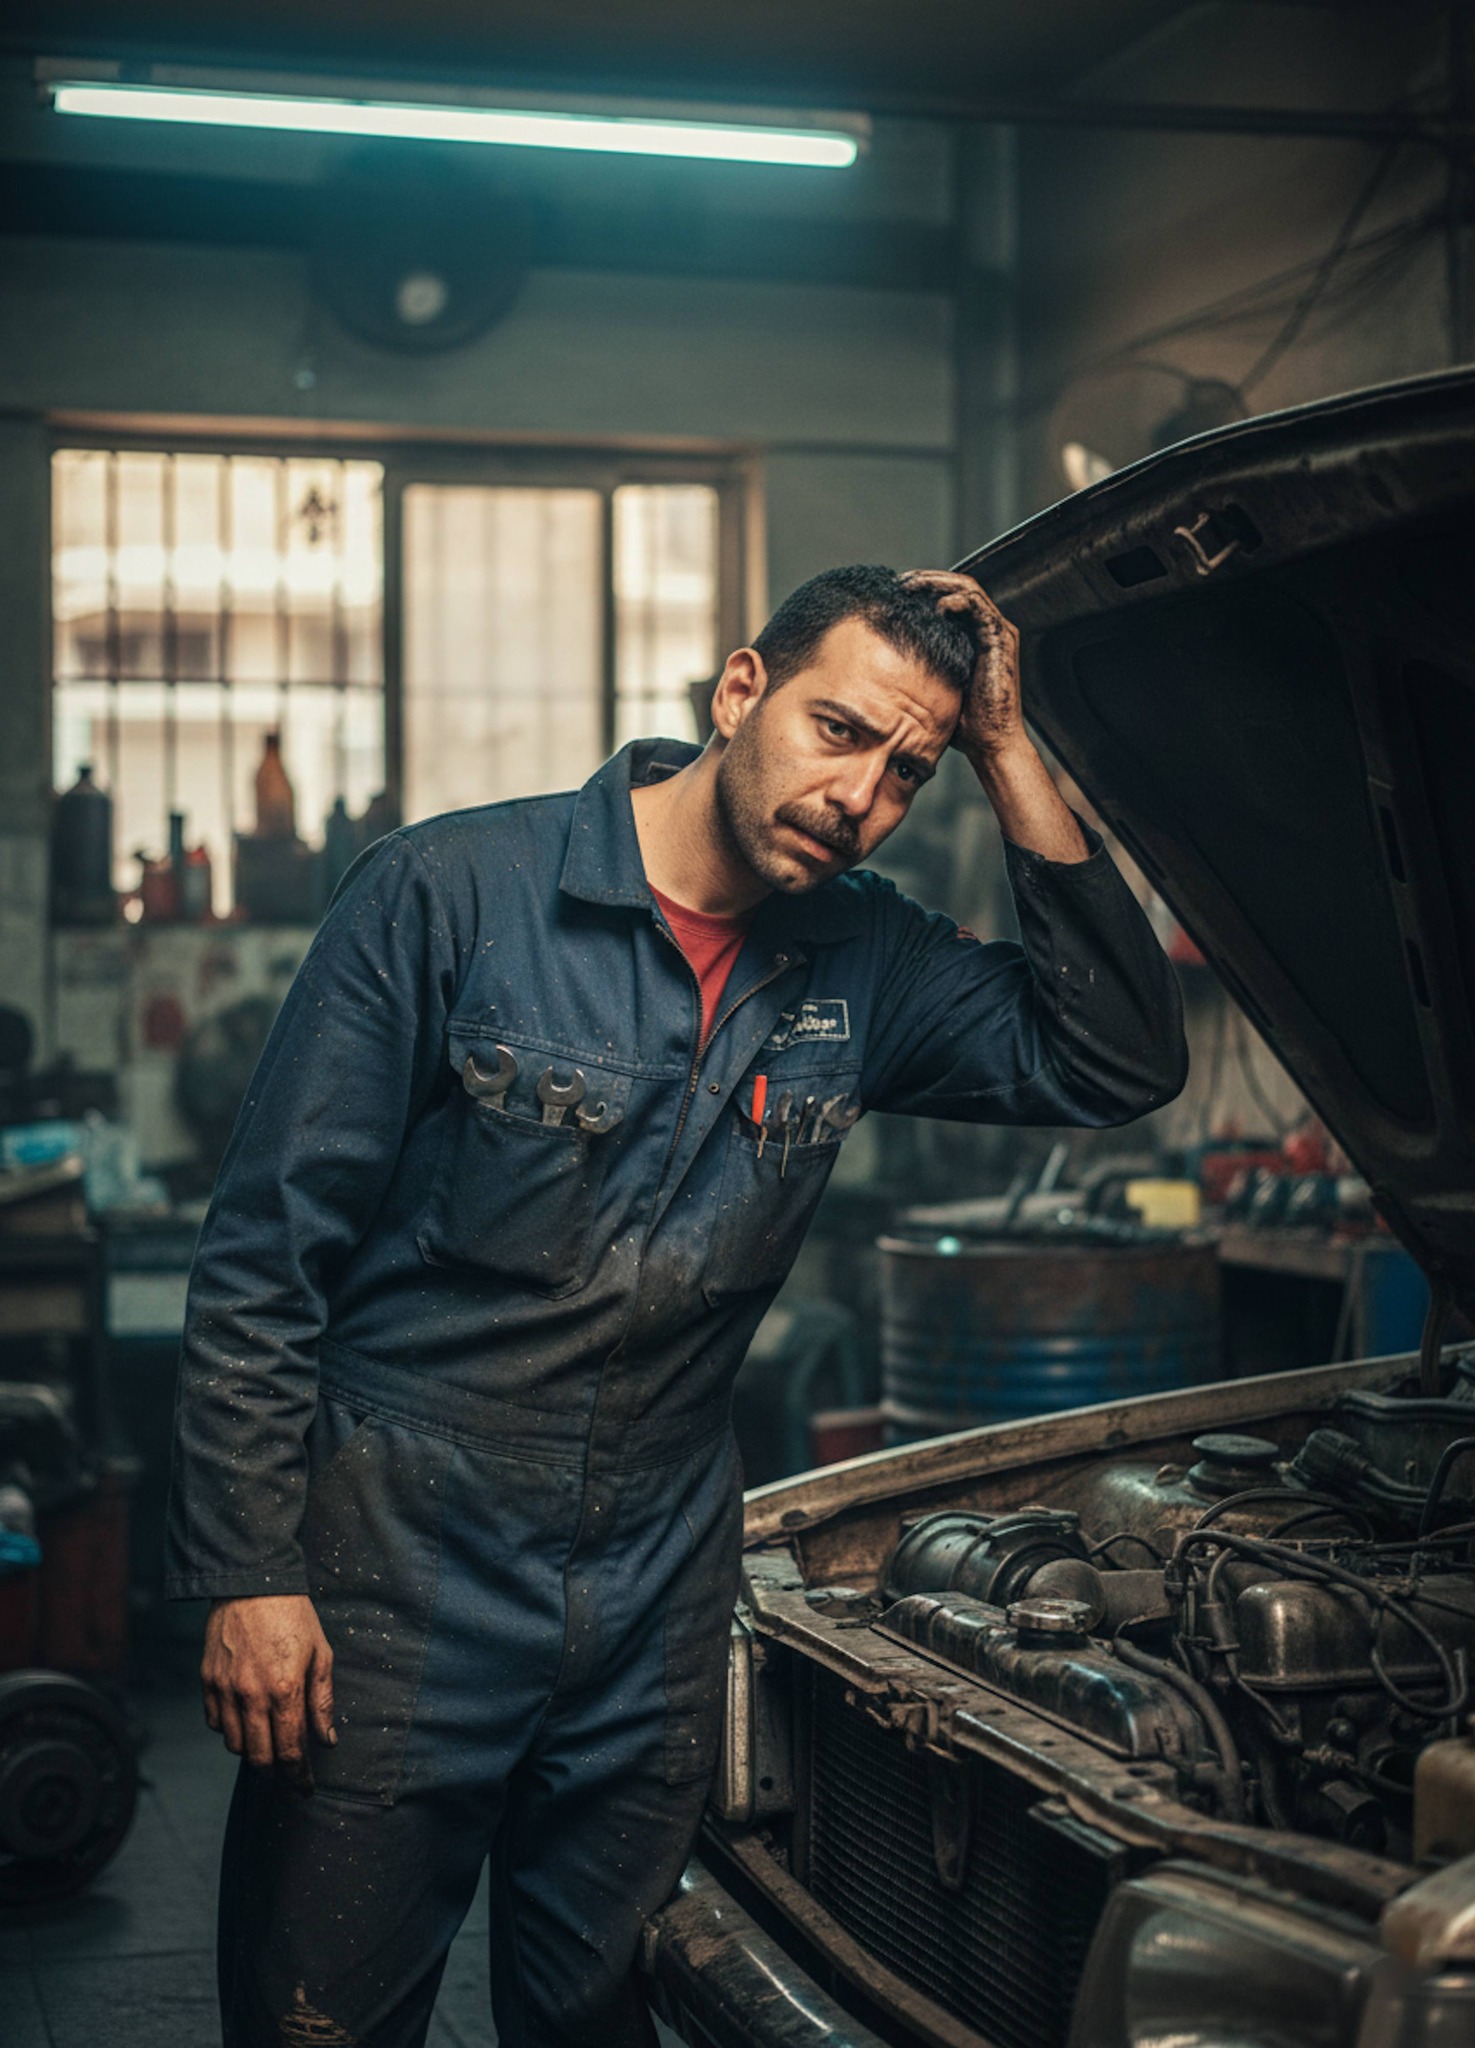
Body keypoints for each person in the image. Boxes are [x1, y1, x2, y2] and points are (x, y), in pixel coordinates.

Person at [167, 565, 1186, 2047]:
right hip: (396, 1572)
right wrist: (249, 1573)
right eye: (839, 731)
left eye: (908, 771)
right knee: (320, 2015)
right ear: (736, 692)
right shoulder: (453, 896)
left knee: (607, 2016)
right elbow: (265, 1256)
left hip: (653, 1592)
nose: (861, 796)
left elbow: (1110, 1061)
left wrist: (1012, 750)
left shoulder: (868, 958)